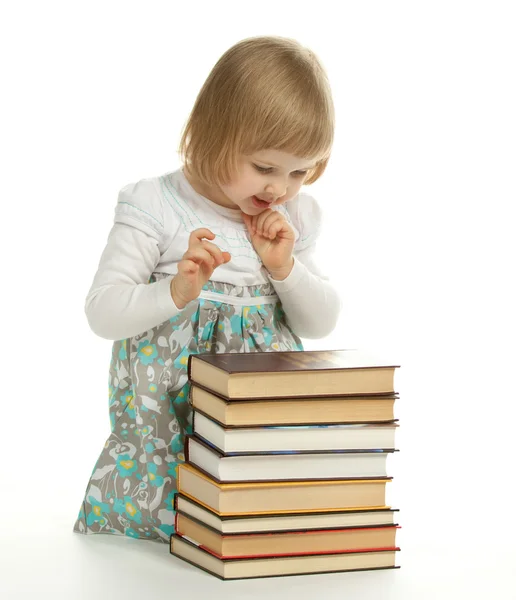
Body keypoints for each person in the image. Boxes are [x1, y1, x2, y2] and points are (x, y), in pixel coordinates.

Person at [74, 35, 341, 543]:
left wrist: (285, 269)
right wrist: (174, 292)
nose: (279, 188)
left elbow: (321, 322)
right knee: (178, 524)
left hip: (256, 421)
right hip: (165, 423)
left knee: (254, 516)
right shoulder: (157, 205)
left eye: (300, 171)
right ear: (213, 133)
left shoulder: (295, 218)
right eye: (264, 167)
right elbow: (102, 312)